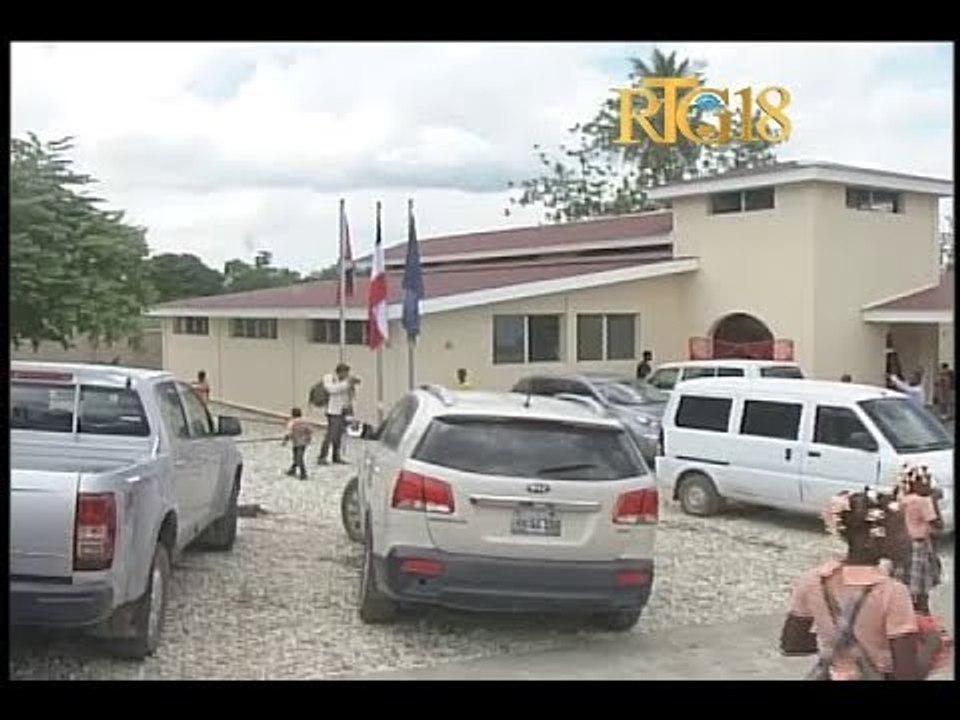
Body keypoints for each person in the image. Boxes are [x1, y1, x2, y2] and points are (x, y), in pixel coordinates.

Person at [779, 488, 922, 680]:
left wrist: (834, 644)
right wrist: (931, 646)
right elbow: (906, 671)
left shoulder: (813, 580)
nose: (907, 540)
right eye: (898, 532)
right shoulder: (892, 592)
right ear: (872, 540)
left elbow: (792, 643)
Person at [891, 465, 943, 614]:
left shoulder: (901, 499)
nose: (929, 485)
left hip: (903, 544)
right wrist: (934, 502)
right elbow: (937, 525)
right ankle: (923, 620)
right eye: (926, 481)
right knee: (921, 591)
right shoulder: (923, 501)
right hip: (919, 546)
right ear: (916, 483)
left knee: (904, 585)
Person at [318, 363, 360, 466]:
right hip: (333, 411)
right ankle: (322, 456)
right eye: (344, 373)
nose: (346, 375)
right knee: (331, 434)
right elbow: (331, 389)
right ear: (339, 372)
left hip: (343, 410)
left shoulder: (346, 382)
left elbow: (349, 396)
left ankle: (336, 456)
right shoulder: (329, 378)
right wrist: (347, 384)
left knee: (339, 435)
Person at [282, 408, 313, 481]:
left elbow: (289, 433)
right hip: (304, 442)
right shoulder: (305, 421)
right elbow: (310, 430)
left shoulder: (292, 422)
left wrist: (285, 441)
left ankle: (303, 473)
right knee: (298, 457)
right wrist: (309, 438)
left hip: (296, 443)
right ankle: (292, 470)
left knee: (298, 458)